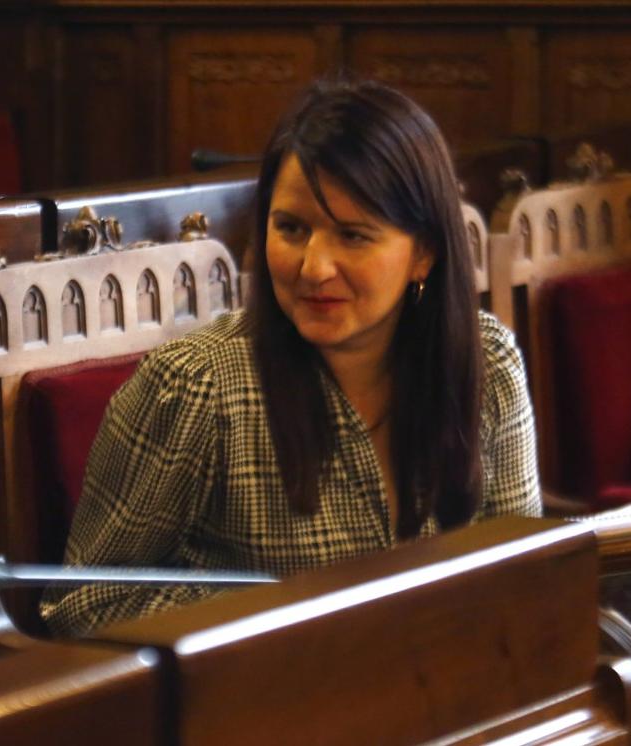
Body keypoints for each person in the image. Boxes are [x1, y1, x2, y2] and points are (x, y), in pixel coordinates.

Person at [42, 78, 542, 637]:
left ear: (422, 254)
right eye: (292, 229)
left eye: (353, 236)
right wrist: (268, 623)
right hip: (260, 710)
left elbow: (523, 578)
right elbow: (84, 607)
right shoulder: (195, 387)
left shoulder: (488, 364)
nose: (314, 267)